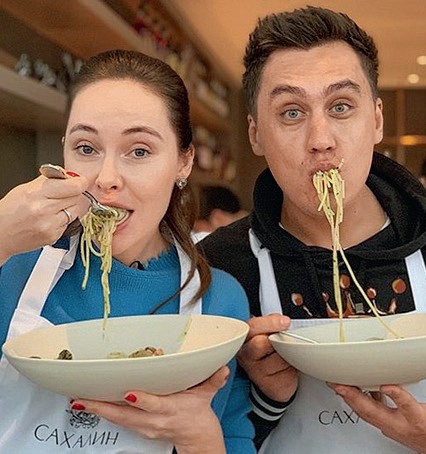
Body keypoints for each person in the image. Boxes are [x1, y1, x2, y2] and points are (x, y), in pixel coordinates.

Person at [199, 6, 426, 454]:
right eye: (291, 113)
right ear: (256, 134)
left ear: (376, 119)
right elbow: (197, 435)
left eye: (341, 107)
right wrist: (264, 397)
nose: (321, 139)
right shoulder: (220, 266)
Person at [0, 49, 255, 454]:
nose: (106, 179)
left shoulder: (218, 303)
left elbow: (234, 437)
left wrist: (200, 438)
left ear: (184, 162)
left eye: (139, 151)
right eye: (86, 148)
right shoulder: (12, 269)